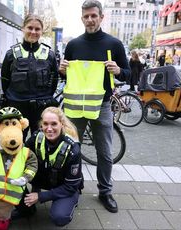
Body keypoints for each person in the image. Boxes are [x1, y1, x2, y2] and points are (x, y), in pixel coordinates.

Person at [58, 0, 130, 213]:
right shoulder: (73, 45)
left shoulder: (114, 44)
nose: (90, 20)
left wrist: (118, 71)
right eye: (86, 16)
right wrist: (61, 69)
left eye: (93, 16)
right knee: (70, 149)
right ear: (82, 18)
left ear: (101, 17)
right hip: (74, 107)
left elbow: (128, 74)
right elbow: (64, 76)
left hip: (102, 106)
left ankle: (105, 191)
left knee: (105, 153)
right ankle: (70, 188)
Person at [11, 106, 83, 227]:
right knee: (10, 171)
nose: (49, 129)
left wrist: (41, 196)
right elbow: (20, 156)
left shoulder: (73, 149)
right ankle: (27, 210)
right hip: (43, 178)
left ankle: (69, 201)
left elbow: (70, 186)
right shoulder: (36, 137)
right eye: (45, 124)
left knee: (59, 217)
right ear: (41, 125)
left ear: (62, 124)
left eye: (54, 124)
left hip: (64, 185)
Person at [1, 14, 59, 140]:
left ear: (42, 31)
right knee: (15, 144)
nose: (33, 32)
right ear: (23, 29)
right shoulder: (11, 54)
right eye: (30, 28)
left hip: (42, 109)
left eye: (37, 29)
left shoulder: (49, 54)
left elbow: (54, 81)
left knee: (42, 145)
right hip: (18, 108)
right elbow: (5, 81)